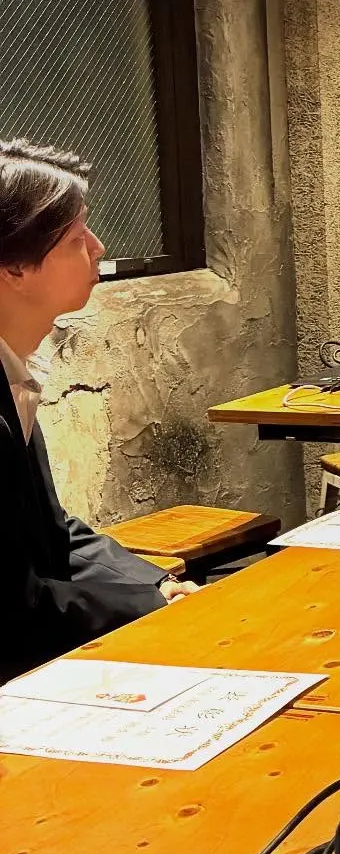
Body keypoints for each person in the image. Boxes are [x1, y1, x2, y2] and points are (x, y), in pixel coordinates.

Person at [0, 141, 193, 681]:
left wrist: (155, 584)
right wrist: (146, 607)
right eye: (75, 238)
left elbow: (53, 533)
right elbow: (10, 606)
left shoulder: (15, 373)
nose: (98, 247)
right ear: (14, 267)